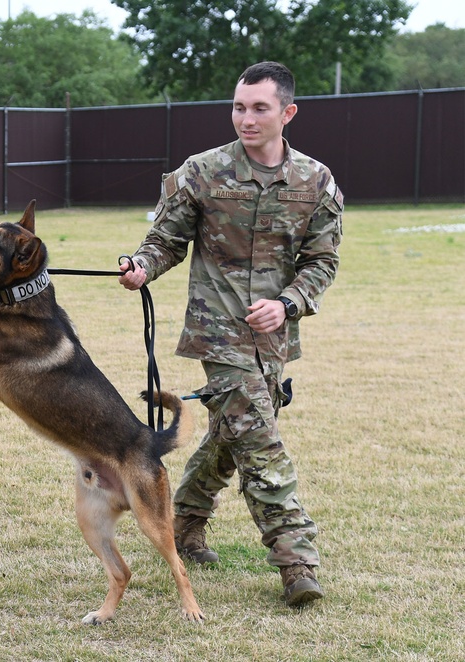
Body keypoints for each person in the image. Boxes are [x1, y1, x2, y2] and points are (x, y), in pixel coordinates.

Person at [118, 61, 342, 607]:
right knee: (259, 437)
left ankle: (185, 524)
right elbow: (166, 239)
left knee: (231, 432)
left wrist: (288, 304)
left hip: (273, 336)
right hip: (217, 330)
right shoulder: (203, 171)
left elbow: (322, 261)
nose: (246, 117)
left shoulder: (315, 181)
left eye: (259, 108)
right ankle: (296, 559)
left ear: (286, 113)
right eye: (239, 106)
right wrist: (143, 266)